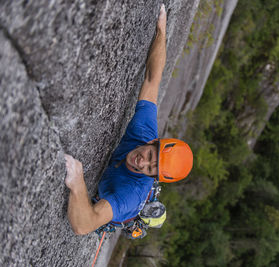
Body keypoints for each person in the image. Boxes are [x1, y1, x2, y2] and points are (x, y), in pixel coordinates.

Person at [64, 4, 193, 235]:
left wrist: (77, 181)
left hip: (114, 207)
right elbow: (153, 79)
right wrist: (161, 30)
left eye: (151, 169)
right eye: (151, 155)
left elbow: (83, 225)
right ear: (153, 142)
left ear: (154, 178)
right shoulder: (144, 131)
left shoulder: (128, 194)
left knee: (105, 218)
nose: (142, 163)